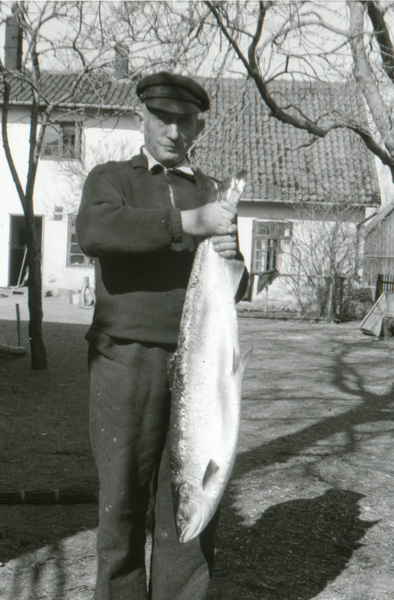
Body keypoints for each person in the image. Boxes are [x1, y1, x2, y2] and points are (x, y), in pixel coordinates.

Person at [76, 71, 248, 600]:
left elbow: (230, 289)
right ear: (140, 118)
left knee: (193, 502)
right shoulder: (112, 179)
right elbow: (95, 231)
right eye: (162, 118)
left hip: (201, 366)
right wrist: (186, 223)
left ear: (198, 125)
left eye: (185, 121)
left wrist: (234, 259)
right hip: (126, 359)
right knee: (122, 502)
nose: (173, 131)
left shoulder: (212, 190)